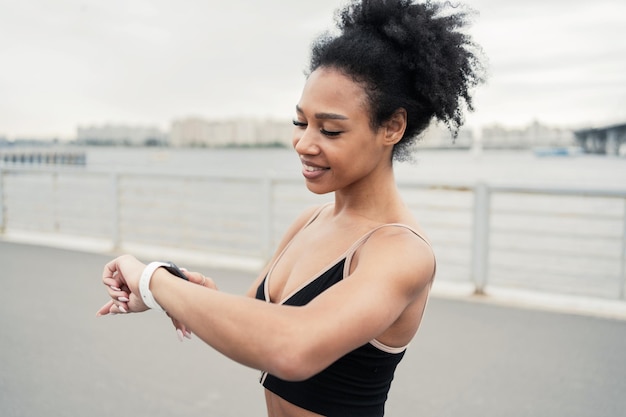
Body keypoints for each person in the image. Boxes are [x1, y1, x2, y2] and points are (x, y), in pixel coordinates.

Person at [97, 0, 484, 416]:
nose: (303, 143)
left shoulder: (399, 250)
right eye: (301, 123)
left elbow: (290, 348)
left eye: (330, 129)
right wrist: (169, 293)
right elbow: (256, 323)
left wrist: (153, 279)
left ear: (391, 127)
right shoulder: (311, 221)